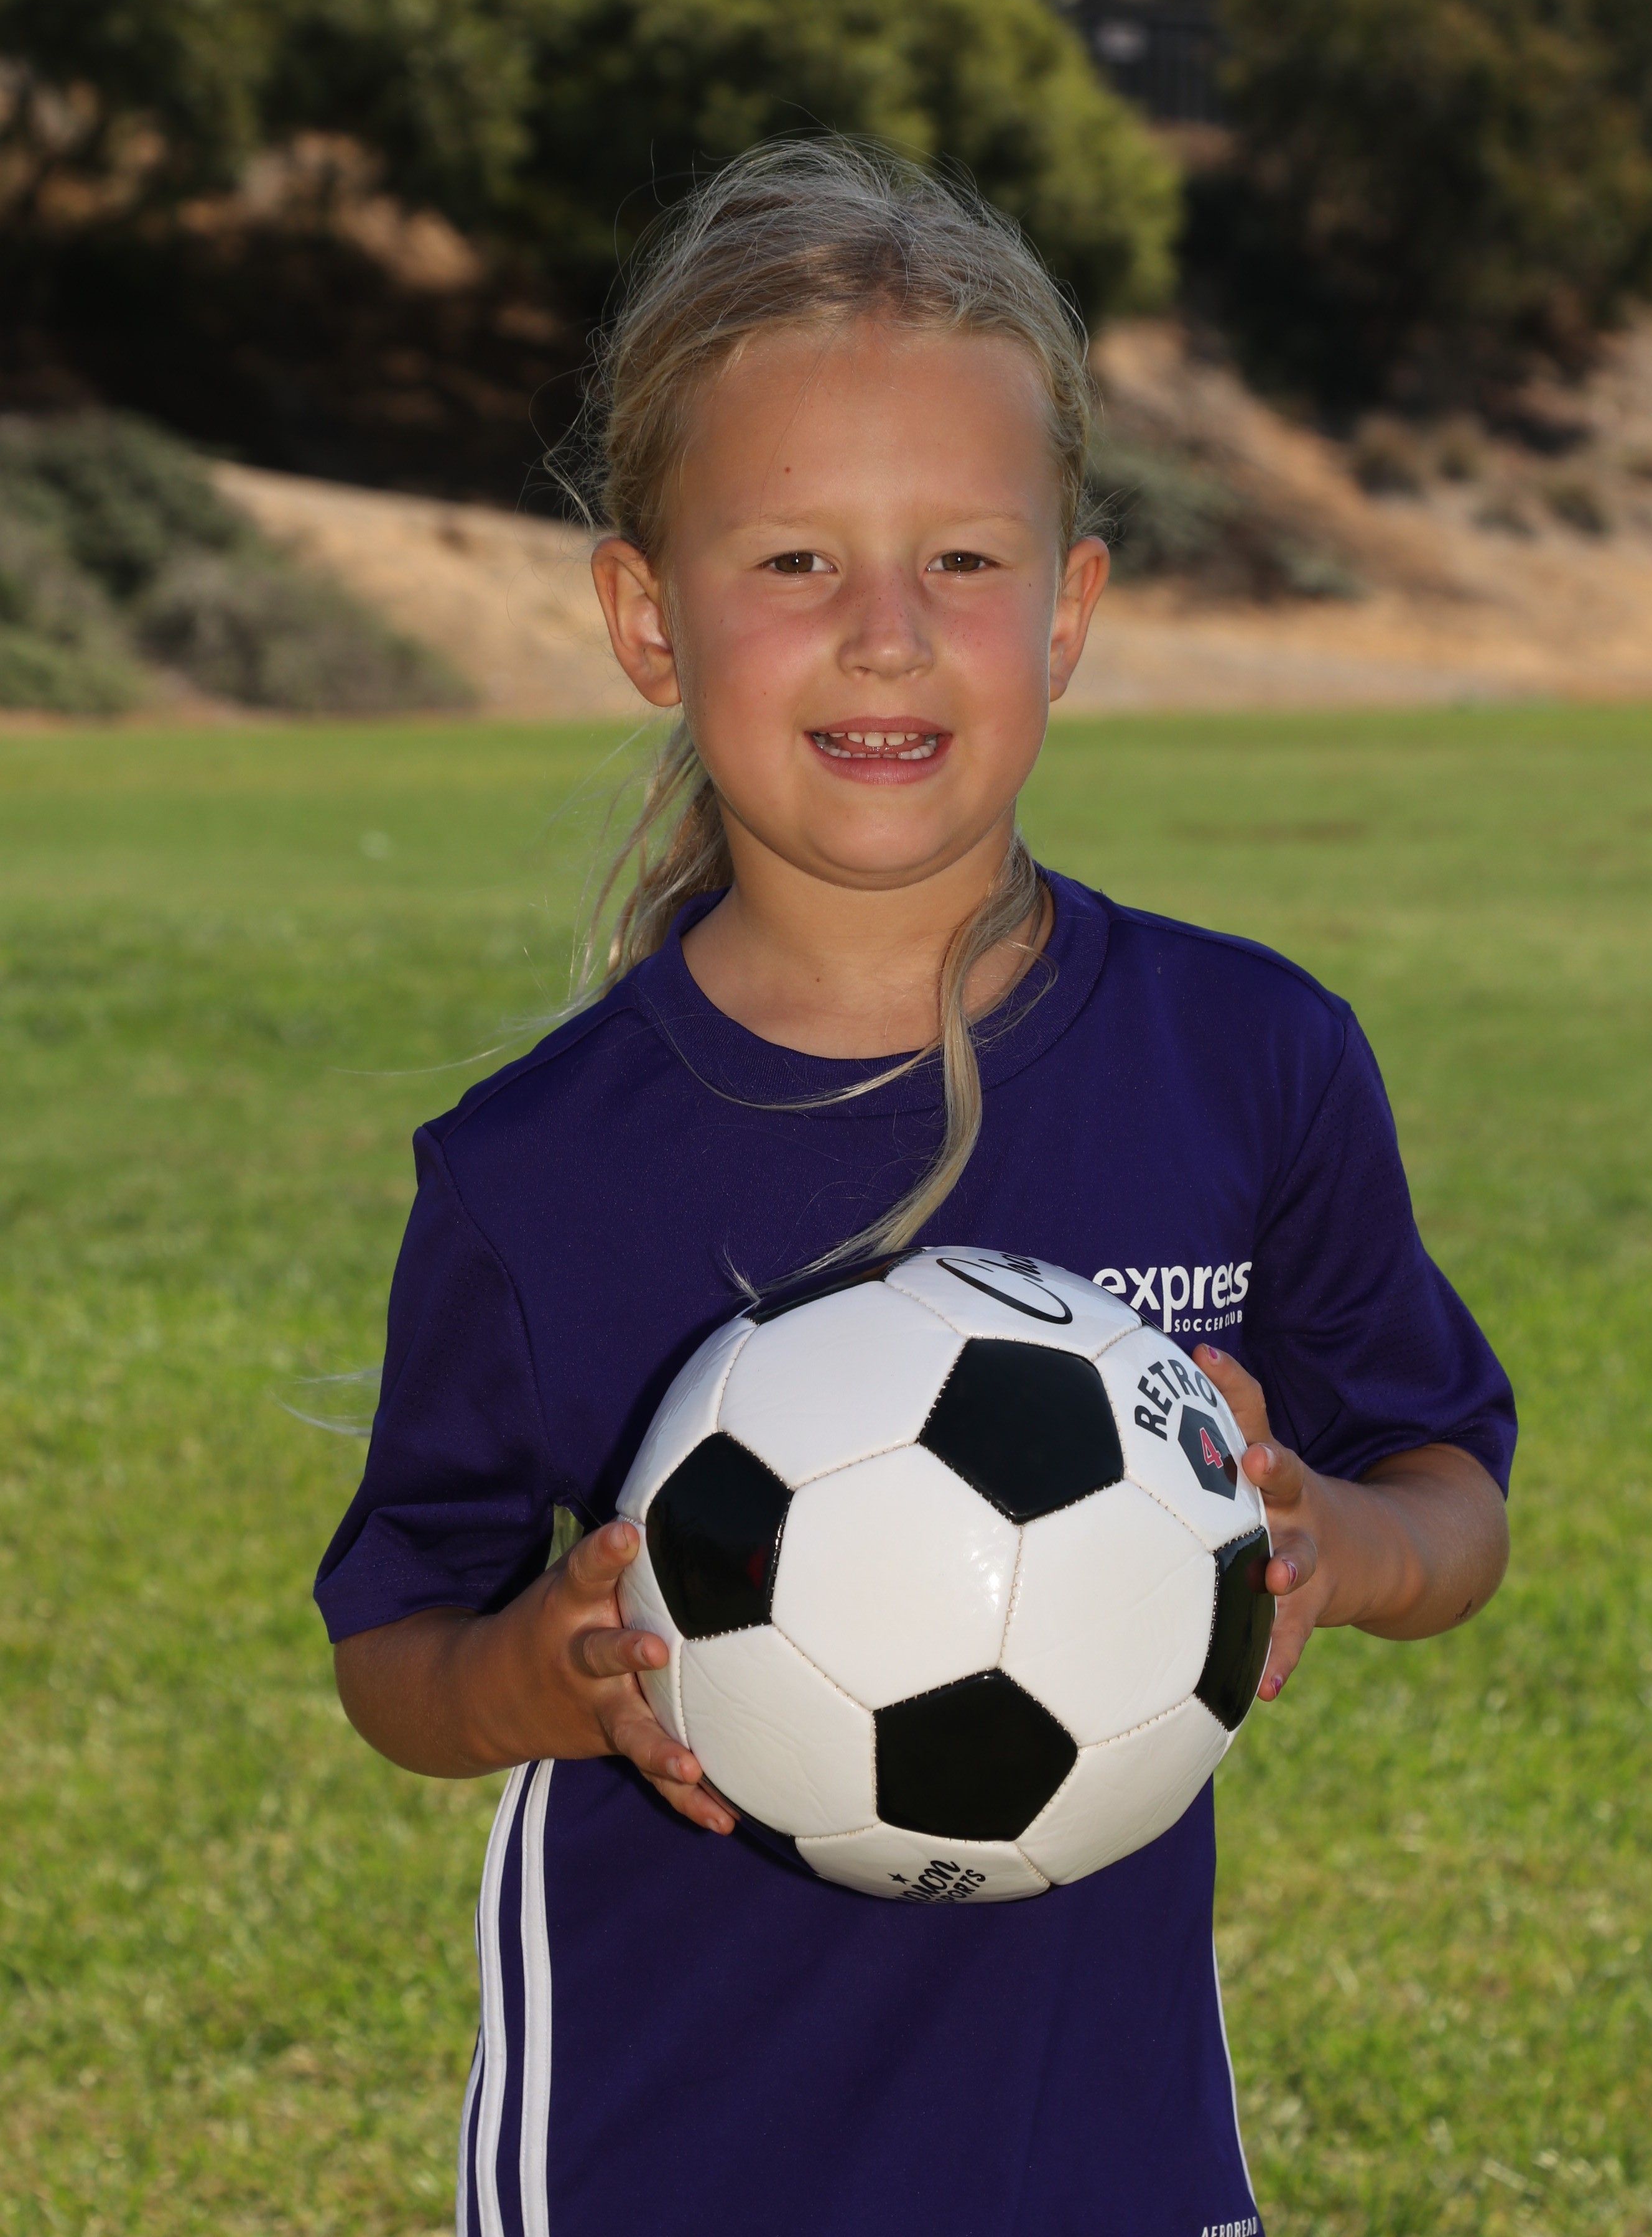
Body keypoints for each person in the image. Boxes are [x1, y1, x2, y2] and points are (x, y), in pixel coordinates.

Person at [315, 141, 1514, 2237]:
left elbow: (1456, 1493)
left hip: (1112, 2153)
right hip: (667, 2160)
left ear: (1069, 611)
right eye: (794, 562)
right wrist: (535, 1677)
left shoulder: (1251, 1060)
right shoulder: (536, 1171)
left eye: (962, 560)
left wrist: (1341, 1543)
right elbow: (395, 1649)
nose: (885, 636)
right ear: (647, 618)